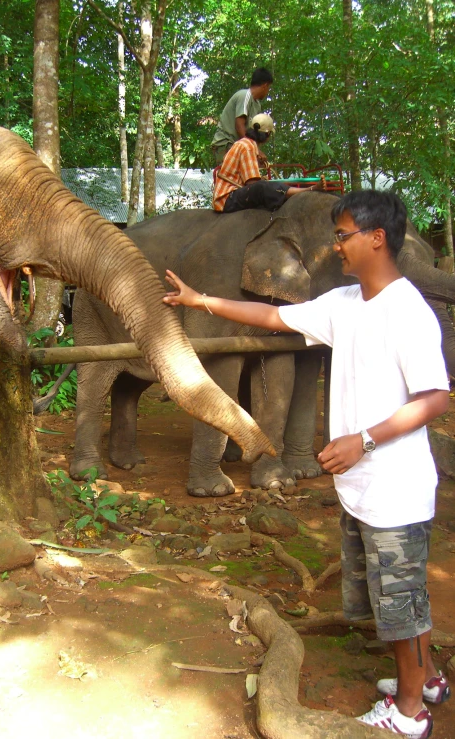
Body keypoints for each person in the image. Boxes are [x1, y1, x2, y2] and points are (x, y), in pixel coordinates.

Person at [163, 190, 450, 739]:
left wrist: (363, 440)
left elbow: (436, 397)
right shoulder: (346, 304)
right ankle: (428, 678)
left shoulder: (407, 310)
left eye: (342, 235)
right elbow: (273, 315)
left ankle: (411, 712)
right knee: (396, 593)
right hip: (361, 487)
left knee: (401, 601)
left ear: (376, 238)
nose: (335, 245)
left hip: (394, 488)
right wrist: (203, 301)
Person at [213, 113, 324, 214]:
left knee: (265, 185)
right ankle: (307, 190)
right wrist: (266, 183)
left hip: (232, 195)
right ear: (267, 135)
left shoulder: (245, 144)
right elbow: (252, 184)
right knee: (262, 187)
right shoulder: (248, 147)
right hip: (227, 198)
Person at [211, 67, 274, 165]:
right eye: (269, 88)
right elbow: (239, 126)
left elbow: (252, 132)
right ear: (265, 86)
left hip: (239, 145)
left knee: (255, 170)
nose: (267, 92)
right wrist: (255, 150)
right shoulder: (244, 96)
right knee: (234, 177)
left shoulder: (257, 104)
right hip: (226, 143)